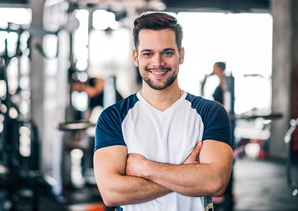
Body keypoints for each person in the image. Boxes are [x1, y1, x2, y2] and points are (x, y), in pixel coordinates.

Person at [93, 12, 233, 211]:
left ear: (181, 55)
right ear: (136, 57)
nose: (157, 63)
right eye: (148, 53)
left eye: (167, 52)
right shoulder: (113, 117)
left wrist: (144, 168)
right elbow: (111, 193)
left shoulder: (210, 112)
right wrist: (187, 176)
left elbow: (215, 182)